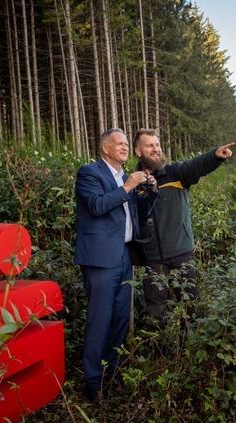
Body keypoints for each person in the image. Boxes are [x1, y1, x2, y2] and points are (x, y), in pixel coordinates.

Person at [74, 128, 154, 402]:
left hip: (124, 255)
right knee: (100, 319)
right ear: (105, 148)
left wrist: (147, 194)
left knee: (120, 318)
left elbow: (137, 214)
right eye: (118, 143)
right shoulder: (89, 173)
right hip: (100, 259)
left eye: (125, 144)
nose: (124, 147)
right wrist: (129, 186)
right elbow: (96, 206)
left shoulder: (124, 177)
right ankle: (93, 381)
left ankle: (113, 372)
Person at [132, 128, 234, 327]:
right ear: (138, 151)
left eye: (157, 145)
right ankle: (160, 351)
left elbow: (196, 165)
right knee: (155, 310)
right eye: (150, 145)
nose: (156, 149)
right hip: (152, 257)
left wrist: (214, 156)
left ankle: (188, 349)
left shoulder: (176, 173)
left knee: (189, 307)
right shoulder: (133, 182)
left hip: (181, 253)